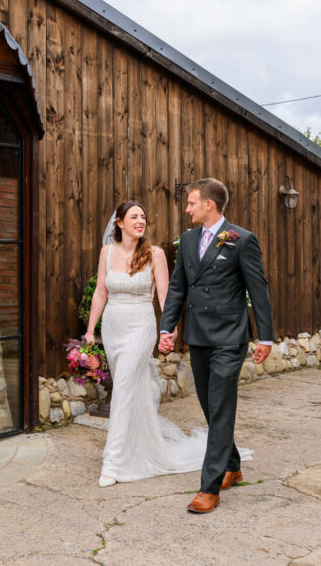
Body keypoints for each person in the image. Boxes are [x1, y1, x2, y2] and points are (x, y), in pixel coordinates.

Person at [84, 200, 227, 488]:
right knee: (129, 389)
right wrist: (90, 331)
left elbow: (165, 296)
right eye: (134, 217)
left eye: (143, 217)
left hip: (140, 324)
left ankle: (112, 462)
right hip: (113, 326)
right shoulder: (106, 252)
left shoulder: (154, 254)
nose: (141, 221)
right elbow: (100, 292)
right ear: (120, 223)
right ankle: (135, 445)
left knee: (123, 385)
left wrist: (168, 330)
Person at [158, 178, 274, 514]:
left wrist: (264, 337)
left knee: (221, 406)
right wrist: (168, 327)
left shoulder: (242, 240)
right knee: (212, 407)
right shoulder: (189, 239)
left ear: (209, 204)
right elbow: (178, 286)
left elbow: (259, 290)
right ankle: (233, 466)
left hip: (229, 337)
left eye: (192, 203)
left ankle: (209, 488)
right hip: (198, 336)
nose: (187, 208)